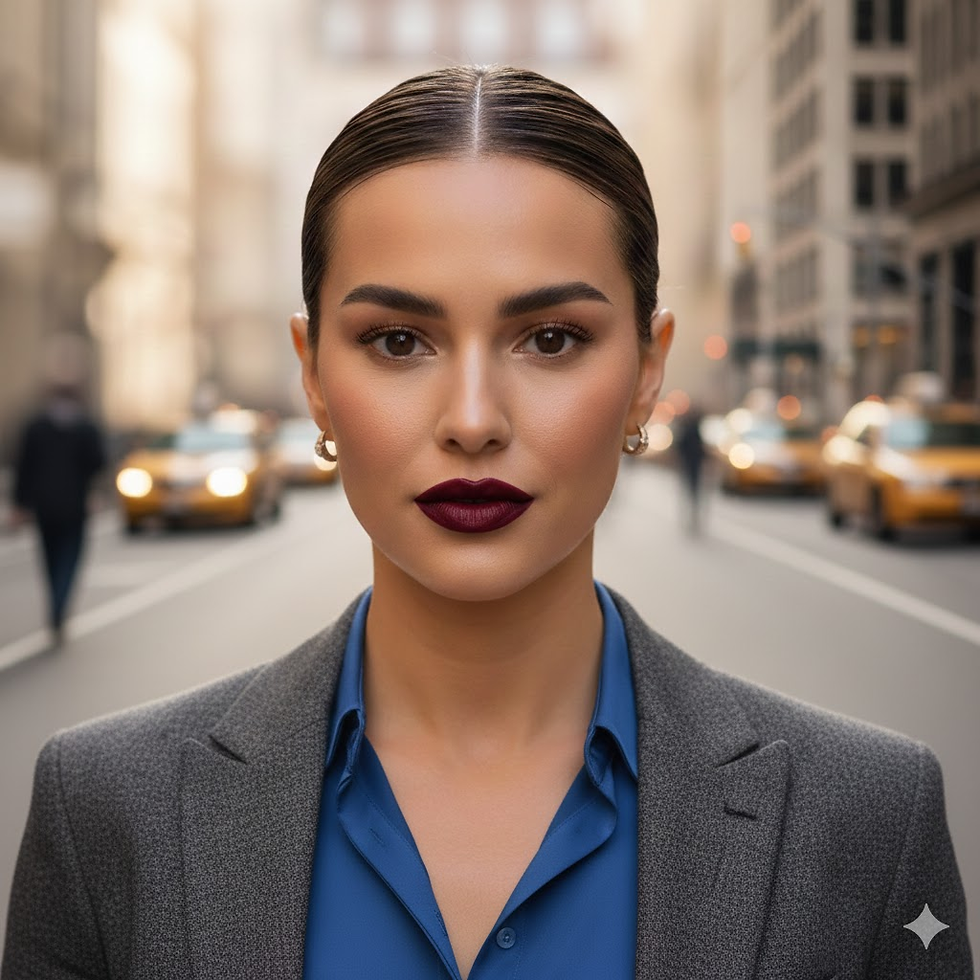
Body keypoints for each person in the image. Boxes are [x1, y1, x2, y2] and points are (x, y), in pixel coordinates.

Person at [2, 66, 972, 980]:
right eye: (398, 340)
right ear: (314, 376)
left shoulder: (870, 820)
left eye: (550, 338)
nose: (472, 419)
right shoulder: (102, 812)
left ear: (646, 371)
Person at [10, 384, 107, 646]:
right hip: (74, 506)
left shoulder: (37, 426)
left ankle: (55, 603)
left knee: (50, 560)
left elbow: (23, 467)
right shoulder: (85, 427)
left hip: (44, 506)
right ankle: (59, 607)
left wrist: (19, 504)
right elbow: (98, 462)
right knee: (69, 559)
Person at [673, 406, 707, 534]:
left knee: (690, 489)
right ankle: (693, 513)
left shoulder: (689, 429)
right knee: (693, 489)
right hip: (693, 464)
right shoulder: (694, 430)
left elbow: (680, 446)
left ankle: (692, 513)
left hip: (689, 463)